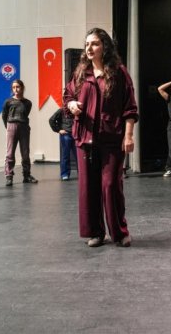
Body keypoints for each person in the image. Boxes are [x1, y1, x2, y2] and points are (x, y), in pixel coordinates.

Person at [63, 28, 138, 248]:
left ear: (105, 46)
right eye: (87, 44)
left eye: (94, 43)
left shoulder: (118, 73)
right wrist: (71, 104)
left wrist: (129, 136)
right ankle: (96, 232)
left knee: (110, 185)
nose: (89, 48)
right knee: (89, 188)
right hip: (85, 138)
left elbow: (130, 108)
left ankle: (120, 232)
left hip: (112, 139)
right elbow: (67, 95)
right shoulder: (81, 73)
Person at [1, 79, 38, 186]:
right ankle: (9, 176)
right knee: (10, 153)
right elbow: (4, 116)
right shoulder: (8, 102)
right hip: (11, 126)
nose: (16, 89)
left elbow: (25, 114)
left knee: (25, 153)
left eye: (18, 87)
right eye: (13, 87)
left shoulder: (28, 103)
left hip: (24, 127)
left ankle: (26, 175)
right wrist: (8, 127)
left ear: (22, 88)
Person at [49, 107, 76, 181]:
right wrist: (58, 130)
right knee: (65, 155)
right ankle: (65, 174)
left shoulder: (76, 110)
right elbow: (51, 120)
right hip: (66, 134)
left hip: (76, 135)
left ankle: (81, 174)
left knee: (78, 156)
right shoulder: (61, 110)